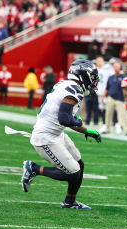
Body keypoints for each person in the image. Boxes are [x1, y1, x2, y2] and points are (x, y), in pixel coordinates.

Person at [21, 59, 102, 209]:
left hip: (55, 133)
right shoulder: (74, 90)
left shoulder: (66, 84)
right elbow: (65, 119)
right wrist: (77, 121)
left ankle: (70, 202)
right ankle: (33, 168)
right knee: (73, 173)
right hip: (46, 138)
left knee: (79, 165)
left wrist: (86, 131)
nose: (94, 81)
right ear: (83, 75)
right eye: (92, 77)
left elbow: (65, 119)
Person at [102, 62, 127, 135]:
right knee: (108, 114)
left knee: (123, 114)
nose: (115, 68)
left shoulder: (124, 78)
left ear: (120, 68)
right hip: (111, 98)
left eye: (117, 67)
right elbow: (107, 88)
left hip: (120, 99)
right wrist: (103, 96)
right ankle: (107, 129)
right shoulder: (111, 77)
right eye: (114, 67)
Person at [95, 55, 115, 133]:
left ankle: (115, 123)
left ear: (103, 61)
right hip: (100, 92)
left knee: (110, 108)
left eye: (100, 60)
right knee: (101, 109)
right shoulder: (96, 69)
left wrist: (109, 90)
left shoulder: (108, 68)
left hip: (107, 92)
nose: (99, 62)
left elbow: (112, 78)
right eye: (97, 61)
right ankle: (104, 124)